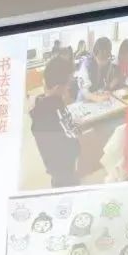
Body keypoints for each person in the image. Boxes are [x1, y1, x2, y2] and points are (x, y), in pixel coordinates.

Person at [29, 55, 79, 188]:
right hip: (63, 168)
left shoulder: (43, 104)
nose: (68, 87)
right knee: (65, 187)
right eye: (67, 84)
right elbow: (72, 144)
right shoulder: (54, 110)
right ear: (57, 88)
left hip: (54, 167)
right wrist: (77, 132)